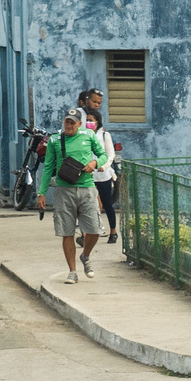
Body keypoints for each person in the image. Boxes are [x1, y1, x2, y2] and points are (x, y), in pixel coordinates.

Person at [36, 106, 110, 283]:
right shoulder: (55, 140)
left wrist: (94, 162)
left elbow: (103, 155)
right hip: (63, 189)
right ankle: (72, 271)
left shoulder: (89, 136)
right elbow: (48, 167)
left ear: (79, 123)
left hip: (87, 188)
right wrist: (42, 192)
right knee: (67, 232)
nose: (69, 125)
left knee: (94, 229)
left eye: (72, 122)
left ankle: (85, 256)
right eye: (66, 122)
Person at [80, 87, 123, 244]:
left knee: (106, 204)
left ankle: (113, 231)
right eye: (88, 121)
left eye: (93, 121)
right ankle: (85, 235)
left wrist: (103, 167)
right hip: (87, 175)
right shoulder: (82, 134)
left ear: (98, 122)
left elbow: (110, 155)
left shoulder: (105, 135)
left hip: (102, 174)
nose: (90, 123)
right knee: (86, 206)